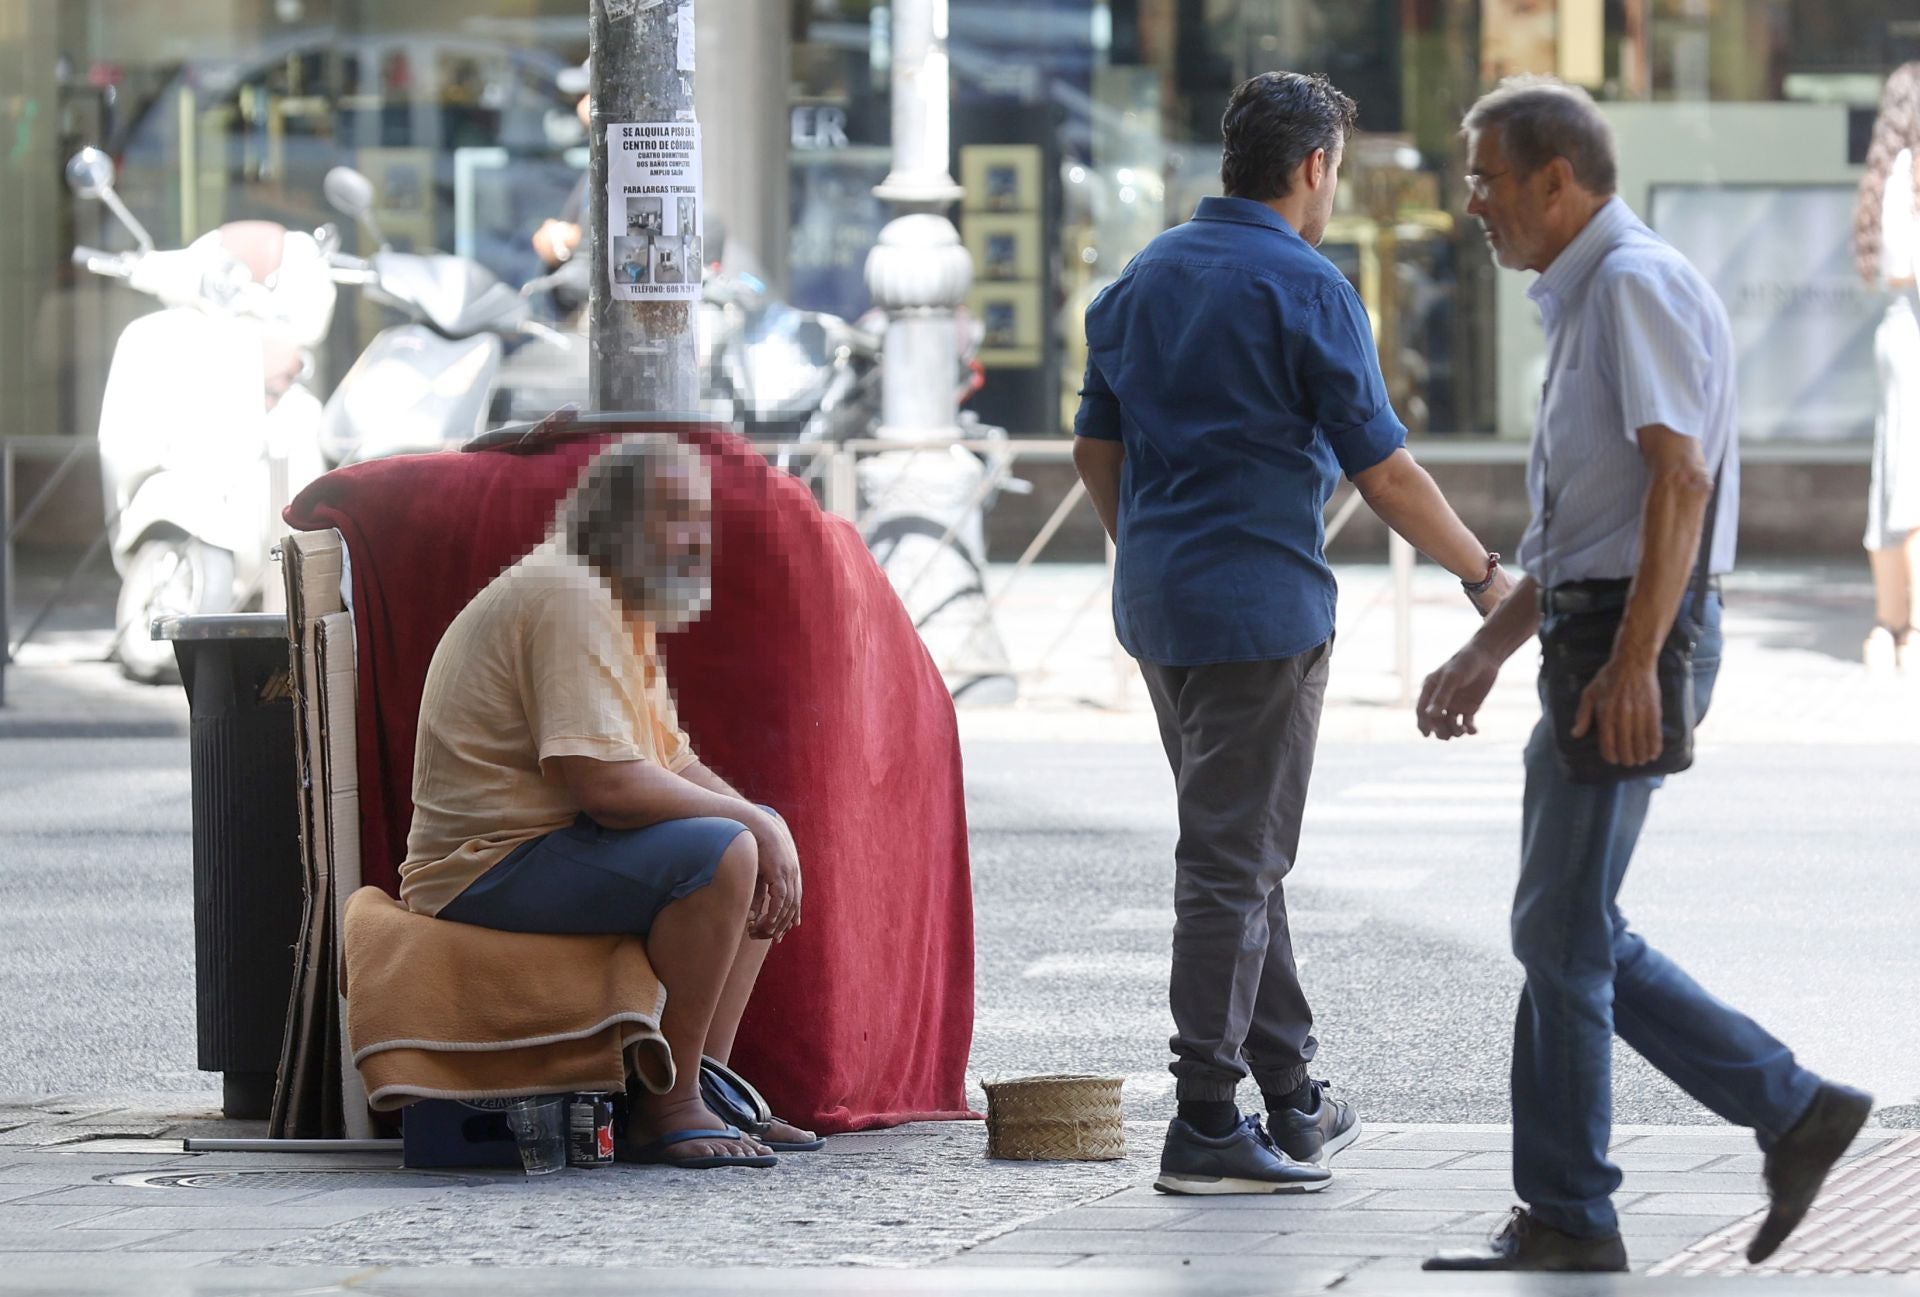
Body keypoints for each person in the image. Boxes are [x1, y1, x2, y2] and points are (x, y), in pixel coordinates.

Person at [1418, 76, 1872, 1271]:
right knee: (1566, 925)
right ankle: (1787, 1108)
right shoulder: (1586, 300)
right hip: (1594, 626)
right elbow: (1580, 535)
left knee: (1559, 929)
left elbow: (1680, 483)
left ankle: (1579, 1208)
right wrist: (1485, 642)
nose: (1473, 202)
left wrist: (1632, 663)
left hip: (1635, 636)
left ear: (1556, 180)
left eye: (1488, 177)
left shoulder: (1631, 285)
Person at [1071, 70, 1516, 1196]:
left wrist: (1154, 551)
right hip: (1259, 611)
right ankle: (1207, 1120)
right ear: (1314, 166)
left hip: (1162, 608)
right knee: (1229, 862)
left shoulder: (1140, 278)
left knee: (1240, 847)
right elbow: (1386, 469)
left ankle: (1291, 1097)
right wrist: (1482, 574)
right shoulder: (1307, 286)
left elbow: (1094, 450)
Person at [398, 435, 817, 1169]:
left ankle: (703, 1088)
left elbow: (670, 759)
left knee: (752, 837)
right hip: (482, 867)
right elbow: (606, 784)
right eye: (673, 516)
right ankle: (670, 1104)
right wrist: (749, 827)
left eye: (700, 519)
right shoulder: (570, 594)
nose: (695, 537)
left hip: (549, 846)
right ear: (614, 518)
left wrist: (765, 823)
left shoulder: (616, 600)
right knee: (725, 851)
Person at [1852, 63, 1920, 672]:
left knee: (1895, 476)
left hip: (1900, 331)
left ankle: (1890, 624)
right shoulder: (1909, 175)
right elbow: (1906, 269)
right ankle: (1909, 628)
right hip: (1914, 330)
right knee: (1910, 478)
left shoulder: (1886, 174)